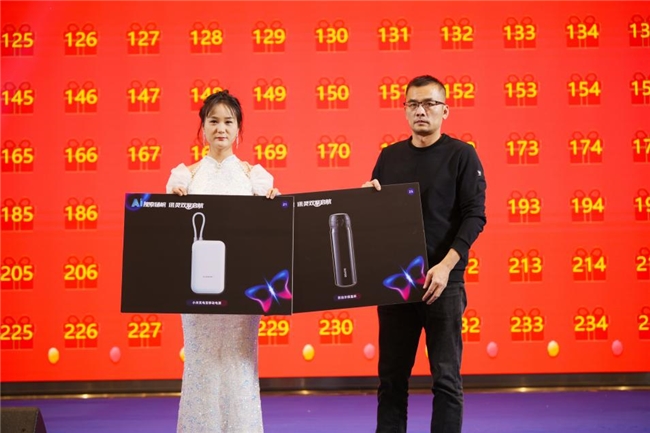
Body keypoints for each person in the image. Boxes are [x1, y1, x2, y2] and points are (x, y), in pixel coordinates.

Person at [363, 75, 487, 433]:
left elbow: (475, 216)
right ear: (404, 110)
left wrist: (446, 266)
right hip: (395, 285)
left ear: (445, 110)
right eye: (413, 104)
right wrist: (365, 201)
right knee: (391, 380)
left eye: (430, 103)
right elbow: (377, 218)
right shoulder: (389, 157)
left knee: (446, 380)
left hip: (443, 283)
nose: (421, 111)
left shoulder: (462, 155)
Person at [166, 90, 279, 433]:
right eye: (213, 121)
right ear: (202, 127)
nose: (221, 128)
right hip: (197, 290)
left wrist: (273, 204)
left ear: (238, 128)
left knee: (239, 364)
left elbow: (268, 232)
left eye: (228, 122)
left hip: (241, 291)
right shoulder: (184, 177)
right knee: (200, 363)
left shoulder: (255, 177)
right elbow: (171, 233)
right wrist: (173, 204)